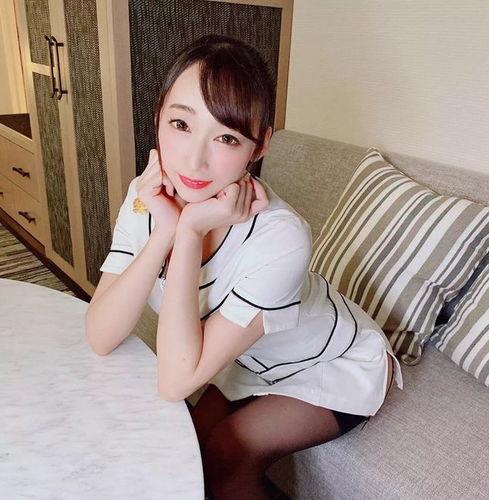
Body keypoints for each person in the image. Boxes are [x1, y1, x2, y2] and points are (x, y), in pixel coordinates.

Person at [86, 34, 403, 500]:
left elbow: (174, 382)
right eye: (181, 123)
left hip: (333, 361)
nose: (194, 159)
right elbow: (99, 335)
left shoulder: (281, 236)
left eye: (227, 137)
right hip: (247, 357)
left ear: (259, 146)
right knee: (180, 448)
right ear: (157, 117)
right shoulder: (146, 196)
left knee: (225, 457)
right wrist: (163, 234)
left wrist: (189, 233)